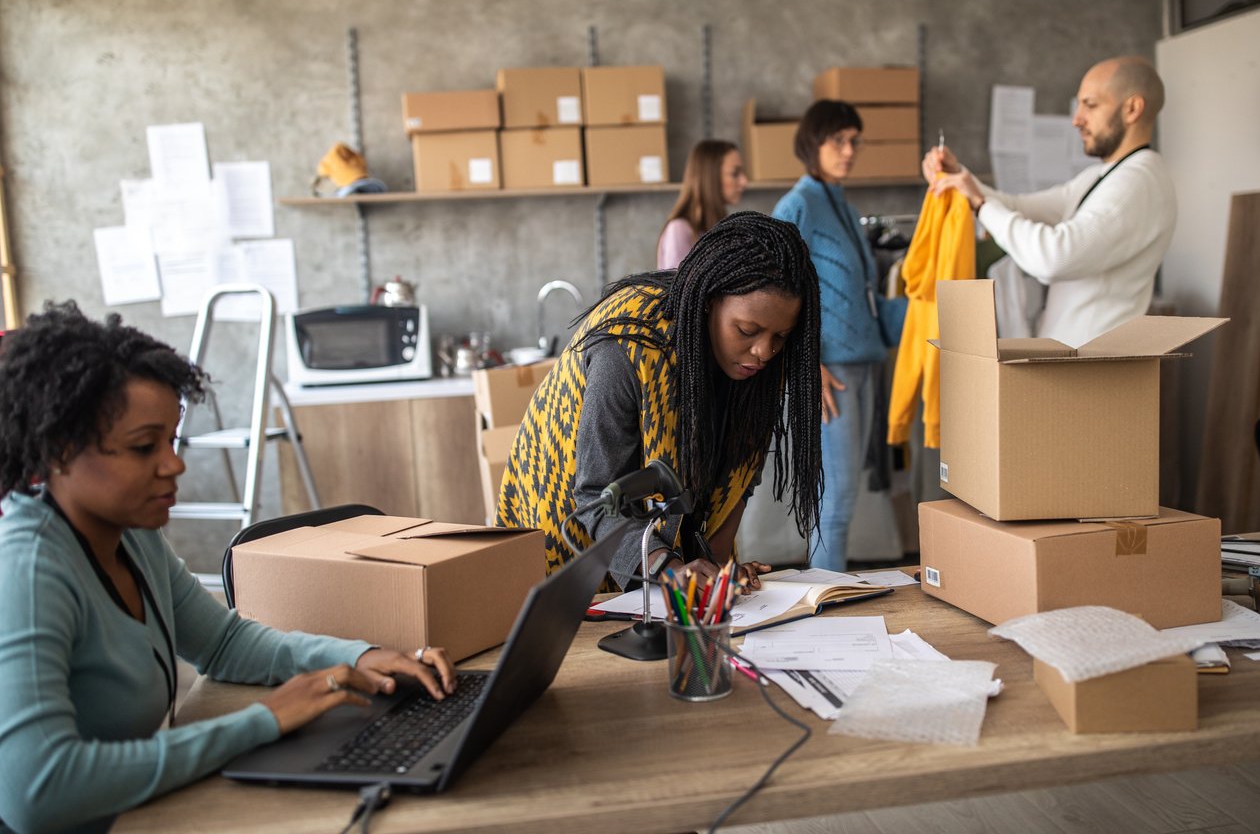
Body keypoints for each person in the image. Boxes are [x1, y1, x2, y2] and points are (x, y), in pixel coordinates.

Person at [0, 302, 456, 834]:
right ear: (59, 449)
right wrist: (263, 721)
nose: (174, 465)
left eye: (171, 440)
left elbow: (222, 644)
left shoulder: (133, 534)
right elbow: (37, 794)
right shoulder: (26, 573)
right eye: (143, 447)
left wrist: (362, 655)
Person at [496, 211, 824, 593]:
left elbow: (738, 480)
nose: (765, 350)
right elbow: (595, 496)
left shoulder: (757, 363)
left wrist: (714, 573)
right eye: (747, 330)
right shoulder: (627, 347)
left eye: (781, 336)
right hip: (565, 543)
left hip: (652, 545)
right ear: (707, 303)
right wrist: (668, 568)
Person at [924, 55, 1176, 347]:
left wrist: (981, 204)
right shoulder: (1104, 175)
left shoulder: (1138, 182)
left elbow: (1053, 258)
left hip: (1096, 371)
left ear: (1132, 108)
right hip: (1075, 364)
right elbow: (1019, 206)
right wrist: (960, 177)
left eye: (1090, 105)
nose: (1077, 119)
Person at [772, 100, 907, 572]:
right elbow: (773, 293)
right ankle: (822, 602)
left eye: (855, 140)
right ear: (813, 144)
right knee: (839, 493)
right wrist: (804, 363)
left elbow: (864, 298)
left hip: (865, 363)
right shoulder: (797, 205)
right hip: (832, 371)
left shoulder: (846, 208)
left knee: (845, 491)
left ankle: (826, 594)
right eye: (838, 141)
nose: (849, 150)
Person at [655, 139, 749, 269]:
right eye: (735, 173)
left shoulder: (719, 226)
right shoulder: (679, 229)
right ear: (710, 177)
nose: (744, 181)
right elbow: (678, 287)